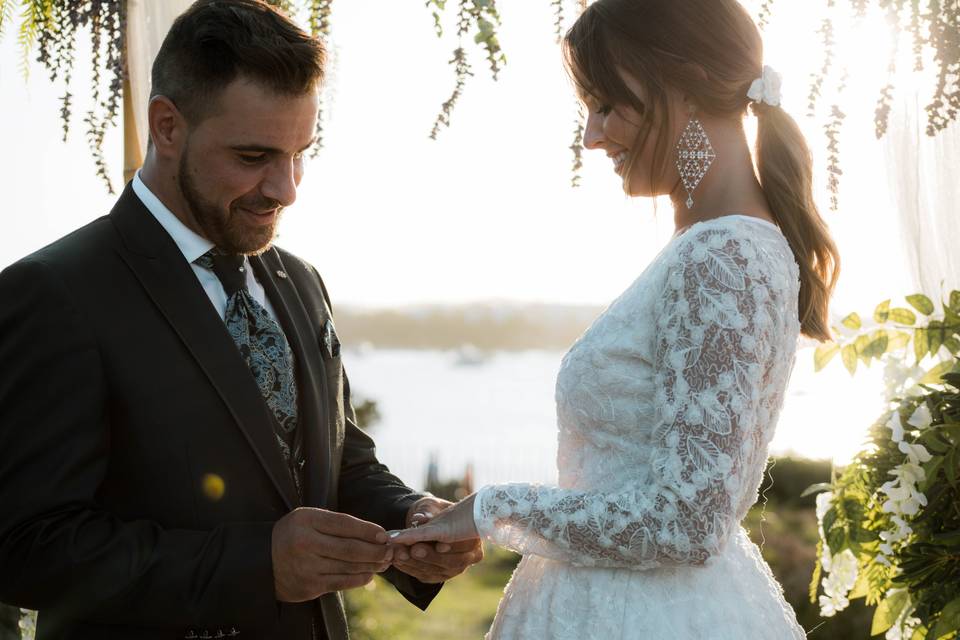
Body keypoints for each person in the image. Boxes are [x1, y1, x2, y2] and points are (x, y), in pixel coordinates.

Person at [0, 1, 481, 638]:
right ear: (166, 127)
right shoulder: (54, 292)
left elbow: (334, 460)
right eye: (254, 156)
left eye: (300, 153)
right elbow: (23, 546)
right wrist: (258, 566)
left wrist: (413, 516)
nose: (286, 188)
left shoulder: (300, 281)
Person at [389, 0, 841, 637]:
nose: (591, 136)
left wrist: (492, 508)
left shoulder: (720, 255)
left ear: (678, 85)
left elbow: (686, 522)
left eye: (606, 105)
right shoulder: (728, 244)